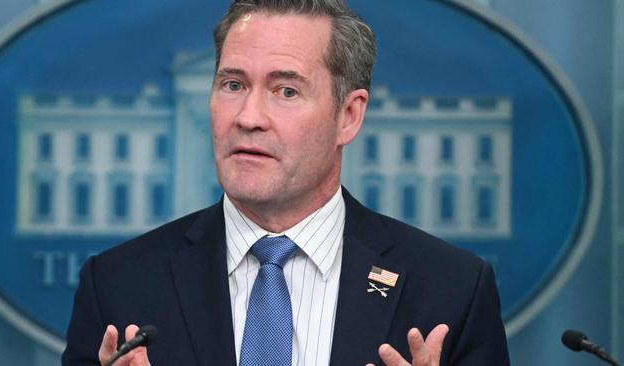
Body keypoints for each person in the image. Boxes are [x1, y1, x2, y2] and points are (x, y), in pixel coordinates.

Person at [62, 0, 510, 365]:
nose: (248, 118)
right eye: (233, 85)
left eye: (286, 91)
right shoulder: (118, 287)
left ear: (348, 116)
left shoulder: (452, 291)